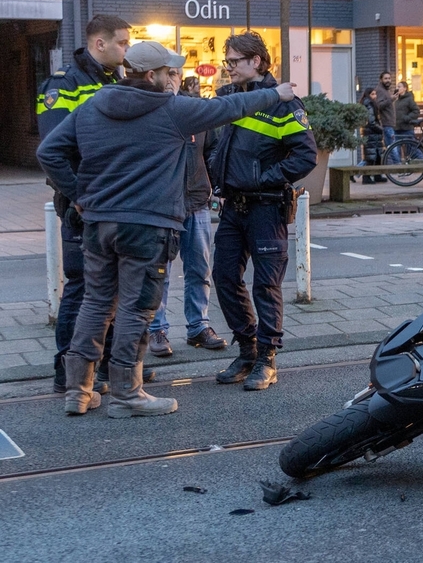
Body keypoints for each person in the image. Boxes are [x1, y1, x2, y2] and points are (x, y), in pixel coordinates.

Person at [36, 41, 298, 417]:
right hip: (147, 228)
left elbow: (48, 152)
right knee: (135, 309)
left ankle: (79, 391)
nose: (171, 76)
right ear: (151, 75)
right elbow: (228, 107)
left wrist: (78, 194)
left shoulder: (93, 105)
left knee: (95, 304)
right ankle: (127, 396)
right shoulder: (171, 109)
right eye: (166, 71)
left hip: (98, 224)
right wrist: (275, 93)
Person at [209, 31, 318, 391]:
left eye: (234, 61)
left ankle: (267, 359)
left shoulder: (284, 104)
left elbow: (306, 155)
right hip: (233, 206)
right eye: (226, 61)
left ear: (255, 61)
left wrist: (264, 178)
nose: (228, 67)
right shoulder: (228, 98)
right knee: (224, 277)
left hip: (266, 207)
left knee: (266, 285)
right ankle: (247, 349)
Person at [36, 14, 130, 394]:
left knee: (113, 288)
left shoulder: (115, 81)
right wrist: (79, 196)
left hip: (113, 202)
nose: (127, 49)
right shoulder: (63, 85)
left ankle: (103, 367)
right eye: (122, 42)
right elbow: (54, 151)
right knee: (81, 287)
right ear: (99, 43)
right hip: (83, 206)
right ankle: (67, 372)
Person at [145, 66, 227, 358]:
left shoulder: (195, 112)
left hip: (196, 202)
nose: (170, 80)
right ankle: (157, 329)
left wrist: (216, 186)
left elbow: (212, 149)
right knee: (159, 272)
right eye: (164, 73)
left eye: (174, 74)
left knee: (199, 269)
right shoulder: (148, 112)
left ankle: (198, 326)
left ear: (181, 78)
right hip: (161, 207)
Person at [359, 87, 385, 183]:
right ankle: (367, 177)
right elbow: (371, 122)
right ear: (368, 95)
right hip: (371, 133)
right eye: (372, 94)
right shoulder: (369, 104)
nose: (375, 96)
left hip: (372, 134)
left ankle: (377, 175)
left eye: (375, 94)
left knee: (376, 156)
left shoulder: (367, 103)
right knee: (371, 157)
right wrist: (381, 129)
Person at [376, 71, 397, 159]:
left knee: (390, 147)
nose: (388, 80)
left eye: (389, 78)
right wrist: (391, 99)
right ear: (381, 80)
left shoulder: (385, 90)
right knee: (393, 147)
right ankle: (397, 164)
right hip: (386, 123)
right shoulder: (380, 90)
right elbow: (379, 105)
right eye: (385, 78)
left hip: (388, 123)